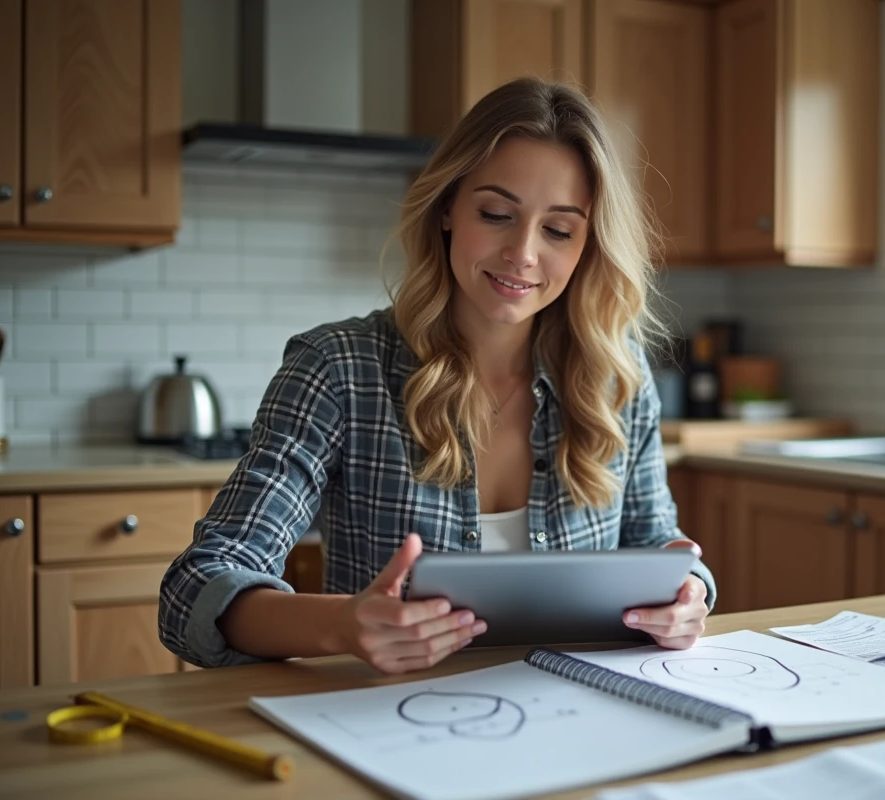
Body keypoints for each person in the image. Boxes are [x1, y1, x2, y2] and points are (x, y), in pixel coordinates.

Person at [158, 77, 716, 674]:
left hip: (578, 722)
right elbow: (196, 587)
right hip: (391, 725)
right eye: (496, 214)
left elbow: (663, 546)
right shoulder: (340, 368)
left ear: (588, 245)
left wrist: (691, 596)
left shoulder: (617, 379)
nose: (523, 253)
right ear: (448, 206)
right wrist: (344, 625)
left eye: (558, 229)